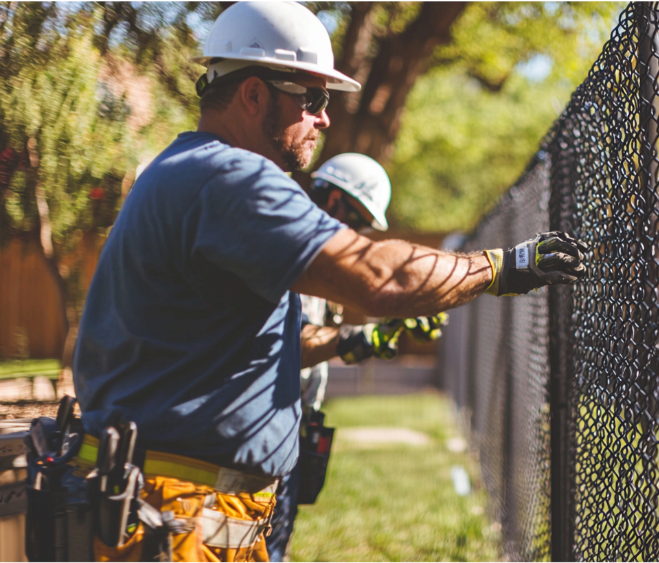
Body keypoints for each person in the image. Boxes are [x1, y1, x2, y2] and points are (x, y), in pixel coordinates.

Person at [70, 1, 588, 561]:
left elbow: (245, 346)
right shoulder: (229, 179)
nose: (325, 119)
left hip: (175, 502)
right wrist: (501, 267)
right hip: (175, 512)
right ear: (254, 94)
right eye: (313, 99)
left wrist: (351, 341)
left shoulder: (185, 171)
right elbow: (377, 277)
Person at [268, 153, 447, 562]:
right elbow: (287, 348)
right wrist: (358, 338)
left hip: (295, 422)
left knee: (278, 539)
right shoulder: (283, 249)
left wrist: (383, 329)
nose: (359, 234)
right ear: (333, 203)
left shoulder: (318, 260)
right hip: (267, 428)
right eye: (360, 221)